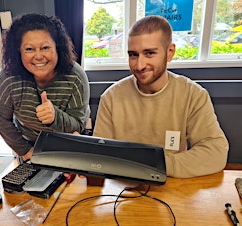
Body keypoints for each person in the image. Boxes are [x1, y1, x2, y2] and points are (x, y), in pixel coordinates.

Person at [93, 16, 229, 178]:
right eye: (133, 55)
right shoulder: (111, 97)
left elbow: (215, 152)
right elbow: (100, 156)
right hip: (122, 190)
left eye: (149, 53)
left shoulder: (193, 94)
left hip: (172, 188)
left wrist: (155, 166)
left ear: (169, 52)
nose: (139, 65)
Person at [0, 13, 90, 162]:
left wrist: (54, 117)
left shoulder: (75, 77)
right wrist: (25, 150)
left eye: (45, 47)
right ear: (18, 51)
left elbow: (78, 125)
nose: (38, 56)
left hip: (68, 144)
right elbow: (1, 120)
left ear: (58, 48)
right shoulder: (8, 79)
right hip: (30, 145)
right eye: (29, 49)